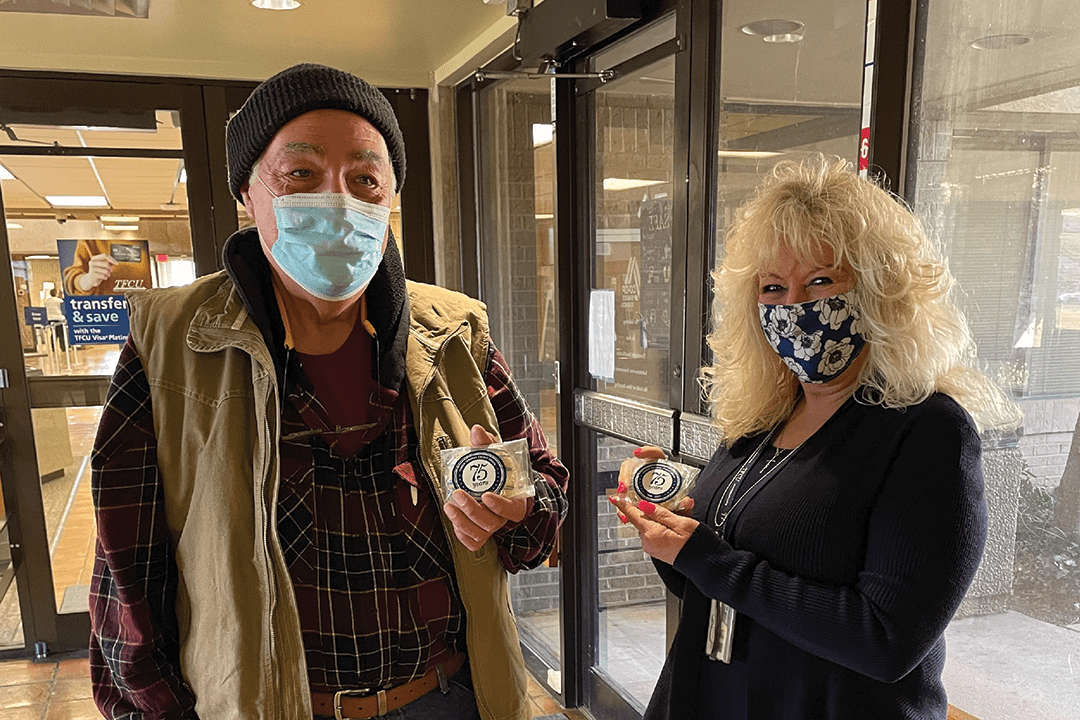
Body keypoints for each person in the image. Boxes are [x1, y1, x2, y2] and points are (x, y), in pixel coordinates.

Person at [88, 63, 568, 720]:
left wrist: (519, 510)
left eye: (365, 179)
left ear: (391, 195)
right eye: (302, 176)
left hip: (448, 697)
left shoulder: (457, 336)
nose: (339, 201)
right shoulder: (170, 344)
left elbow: (543, 509)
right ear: (248, 193)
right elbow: (127, 592)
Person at [610, 156, 1021, 719]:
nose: (795, 306)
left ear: (881, 291)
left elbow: (886, 641)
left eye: (821, 281)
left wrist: (704, 557)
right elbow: (713, 587)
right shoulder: (763, 419)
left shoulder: (927, 432)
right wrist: (668, 535)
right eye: (773, 287)